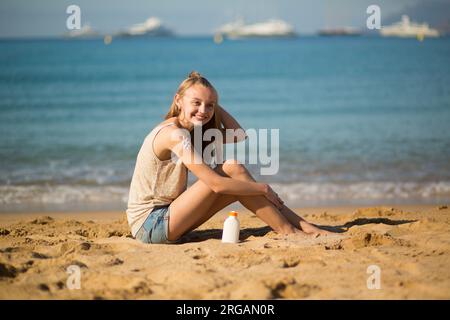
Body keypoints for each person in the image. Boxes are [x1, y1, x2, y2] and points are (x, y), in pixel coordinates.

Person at [126, 71, 333, 244]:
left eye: (210, 106)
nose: (203, 110)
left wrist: (209, 102)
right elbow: (216, 184)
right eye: (196, 103)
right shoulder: (174, 134)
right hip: (151, 224)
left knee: (237, 179)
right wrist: (263, 188)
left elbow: (238, 135)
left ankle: (303, 226)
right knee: (232, 168)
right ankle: (290, 231)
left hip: (169, 219)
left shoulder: (191, 132)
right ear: (178, 101)